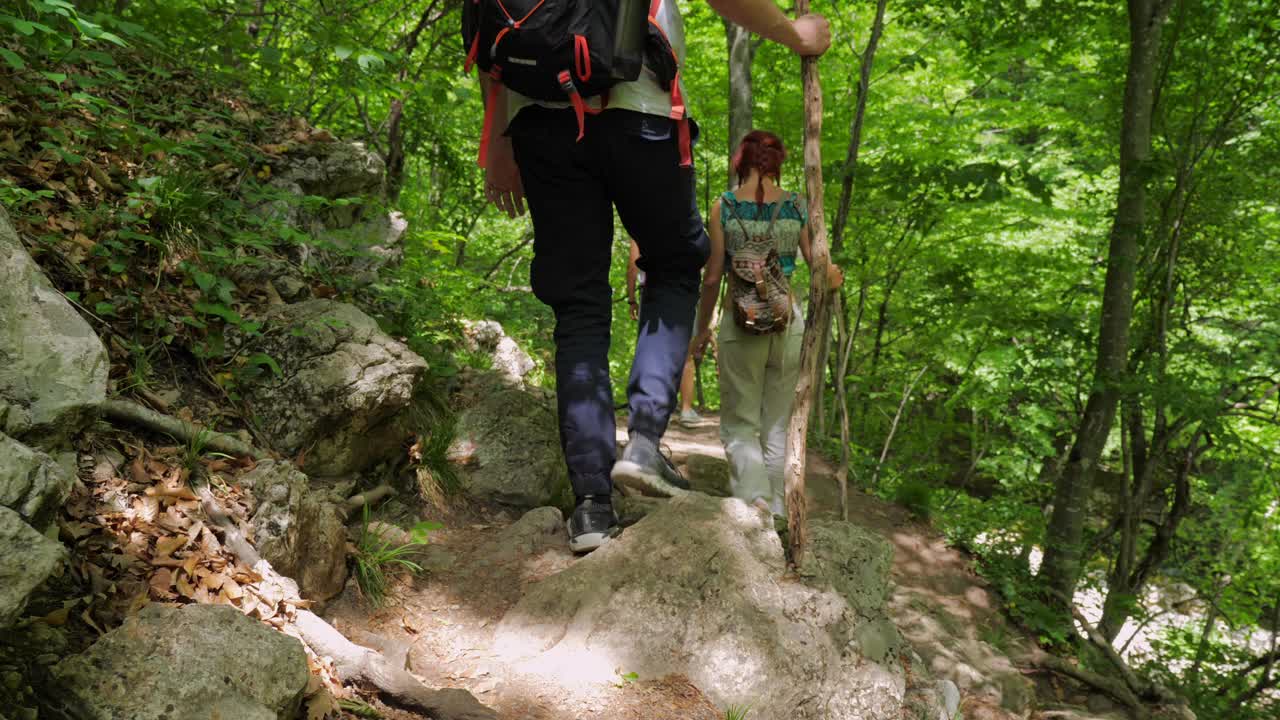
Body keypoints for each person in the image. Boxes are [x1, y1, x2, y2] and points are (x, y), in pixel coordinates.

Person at [480, 2, 831, 553]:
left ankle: (592, 504)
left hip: (538, 122)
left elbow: (489, 32)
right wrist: (794, 34)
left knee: (578, 305)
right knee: (672, 264)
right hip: (640, 110)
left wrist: (497, 142)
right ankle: (644, 443)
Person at [691, 130, 843, 516]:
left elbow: (712, 276)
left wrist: (701, 329)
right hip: (786, 322)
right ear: (777, 164)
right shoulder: (796, 205)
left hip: (740, 323)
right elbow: (818, 268)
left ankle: (754, 499)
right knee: (777, 425)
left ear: (740, 161)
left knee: (741, 423)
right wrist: (832, 274)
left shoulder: (724, 206)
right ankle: (775, 512)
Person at [627, 239, 702, 427]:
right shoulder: (685, 217)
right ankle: (685, 409)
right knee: (686, 354)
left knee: (649, 351)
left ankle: (650, 410)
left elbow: (633, 264)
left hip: (652, 292)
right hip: (683, 291)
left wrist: (631, 299)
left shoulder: (639, 226)